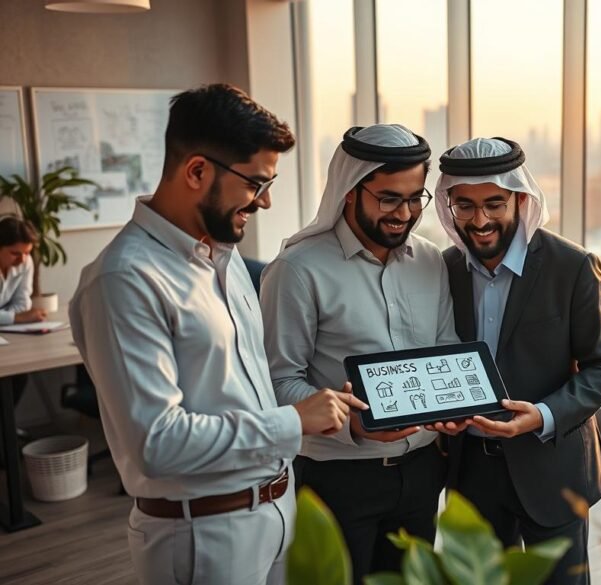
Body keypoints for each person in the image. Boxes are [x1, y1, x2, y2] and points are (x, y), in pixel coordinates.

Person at [70, 84, 360, 585]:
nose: (266, 202)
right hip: (203, 536)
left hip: (277, 510)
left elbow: (241, 390)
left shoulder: (224, 262)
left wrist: (315, 408)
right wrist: (291, 421)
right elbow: (157, 442)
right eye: (255, 184)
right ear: (197, 171)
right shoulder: (124, 280)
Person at [260, 124, 459, 581]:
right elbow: (275, 382)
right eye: (389, 198)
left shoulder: (432, 260)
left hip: (424, 471)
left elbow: (445, 350)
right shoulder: (296, 270)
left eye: (415, 199)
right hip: (339, 476)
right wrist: (352, 422)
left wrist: (453, 404)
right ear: (350, 191)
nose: (404, 213)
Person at [427, 137, 601, 584]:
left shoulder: (571, 266)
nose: (480, 220)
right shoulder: (445, 269)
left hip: (552, 466)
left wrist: (542, 415)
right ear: (449, 206)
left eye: (494, 204)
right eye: (465, 206)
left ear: (520, 198)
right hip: (471, 471)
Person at [0, 216, 45, 442]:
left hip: (7, 338)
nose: (22, 259)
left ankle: (4, 432)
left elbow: (22, 304)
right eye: (15, 253)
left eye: (26, 253)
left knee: (20, 376)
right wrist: (15, 317)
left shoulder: (25, 262)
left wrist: (11, 316)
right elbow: (19, 313)